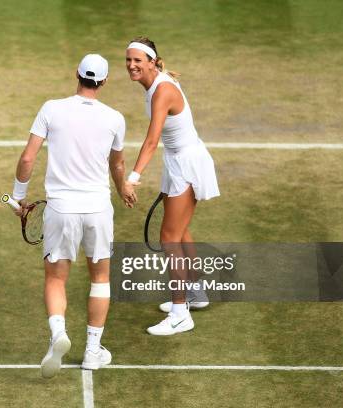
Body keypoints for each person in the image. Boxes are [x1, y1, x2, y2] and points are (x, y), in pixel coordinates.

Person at [11, 54, 134, 378]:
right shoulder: (114, 118)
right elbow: (118, 165)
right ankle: (93, 351)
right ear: (104, 82)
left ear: (76, 75)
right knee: (101, 278)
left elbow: (27, 158)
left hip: (61, 210)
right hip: (97, 210)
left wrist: (18, 198)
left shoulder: (51, 108)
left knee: (55, 278)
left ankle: (58, 335)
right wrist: (122, 189)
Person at [125, 37, 219, 336]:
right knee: (180, 232)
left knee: (169, 238)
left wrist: (133, 177)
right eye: (128, 60)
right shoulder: (155, 86)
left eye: (138, 60)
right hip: (178, 161)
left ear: (152, 62)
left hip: (187, 164)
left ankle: (181, 314)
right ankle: (196, 292)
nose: (131, 65)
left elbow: (152, 140)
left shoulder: (162, 90)